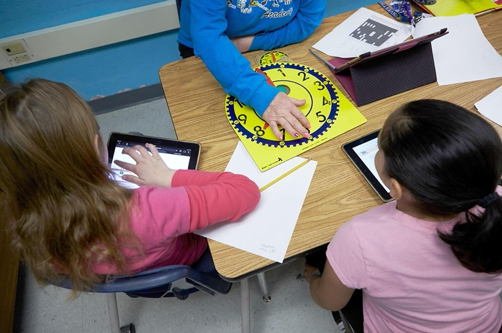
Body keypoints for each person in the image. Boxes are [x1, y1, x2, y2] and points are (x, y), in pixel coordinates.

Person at [0, 79, 260, 294]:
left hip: (125, 273)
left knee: (134, 140)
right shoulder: (151, 209)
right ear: (94, 147)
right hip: (191, 257)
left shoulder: (27, 225)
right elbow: (245, 192)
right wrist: (167, 178)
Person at [304, 100, 502, 332]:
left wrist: (314, 277)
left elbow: (330, 301)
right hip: (486, 327)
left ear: (395, 189)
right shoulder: (495, 202)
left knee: (317, 256)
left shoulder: (359, 238)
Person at [177, 0, 326, 141]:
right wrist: (258, 93)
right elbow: (208, 38)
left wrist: (246, 44)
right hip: (209, 52)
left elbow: (306, 20)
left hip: (276, 39)